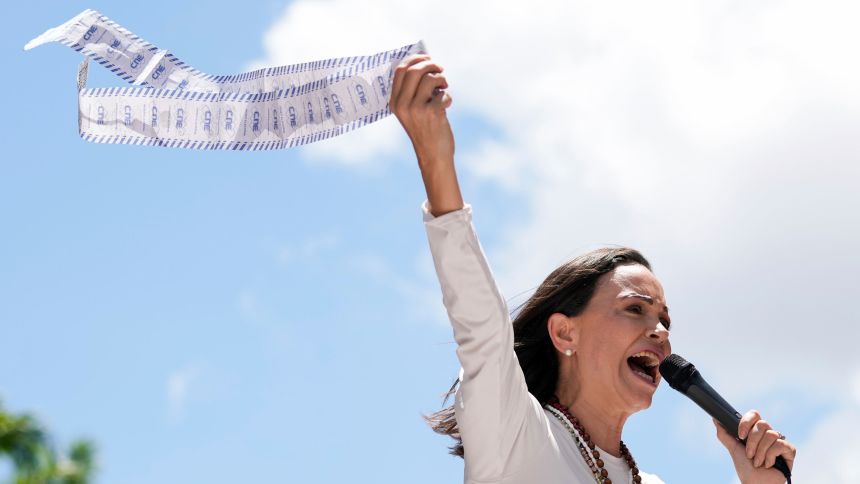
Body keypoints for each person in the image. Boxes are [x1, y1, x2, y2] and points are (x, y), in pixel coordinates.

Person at [389, 54, 798, 484]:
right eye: (635, 309)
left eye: (665, 320)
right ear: (565, 333)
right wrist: (434, 157)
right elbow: (482, 328)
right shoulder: (515, 432)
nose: (660, 332)